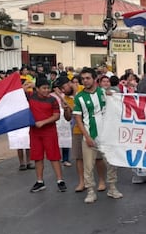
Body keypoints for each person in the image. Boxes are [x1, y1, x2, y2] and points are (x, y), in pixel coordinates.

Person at [73, 67, 122, 203]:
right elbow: (78, 119)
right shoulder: (79, 97)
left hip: (106, 136)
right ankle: (90, 191)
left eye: (88, 78)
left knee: (111, 163)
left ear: (95, 79)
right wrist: (87, 137)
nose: (85, 81)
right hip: (90, 135)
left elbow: (116, 105)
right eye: (83, 79)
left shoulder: (103, 93)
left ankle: (112, 188)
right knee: (88, 166)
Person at [27, 78, 66, 193]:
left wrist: (43, 122)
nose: (46, 90)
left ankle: (60, 180)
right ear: (37, 89)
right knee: (37, 157)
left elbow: (57, 115)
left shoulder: (52, 100)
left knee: (54, 155)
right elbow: (17, 94)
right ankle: (40, 181)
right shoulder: (30, 96)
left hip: (49, 131)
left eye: (48, 88)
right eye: (43, 88)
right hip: (34, 132)